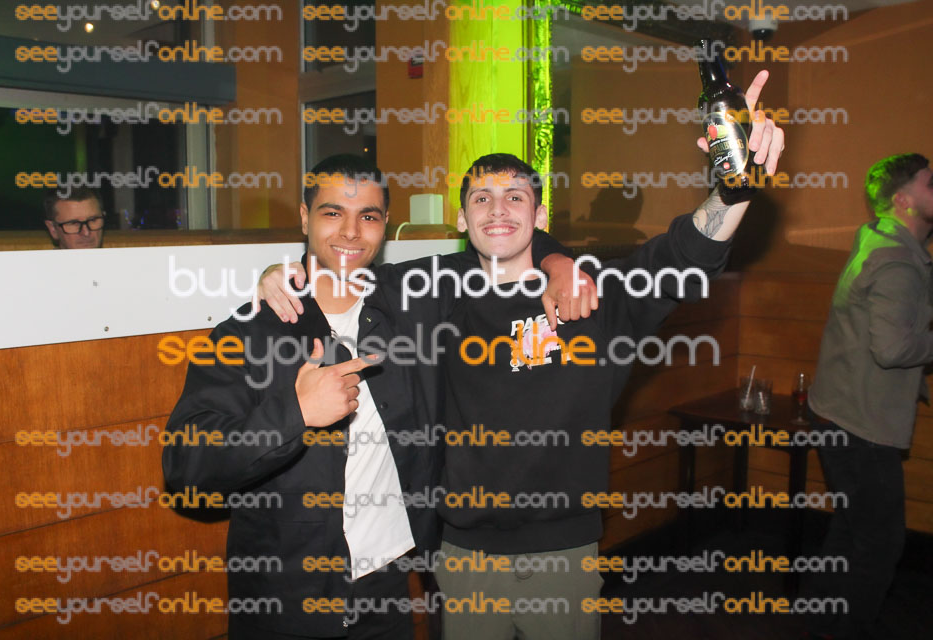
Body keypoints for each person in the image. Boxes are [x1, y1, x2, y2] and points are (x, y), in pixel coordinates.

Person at [260, 72, 784, 639]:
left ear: (539, 216)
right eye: (481, 199)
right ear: (462, 219)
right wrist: (275, 274)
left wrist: (735, 190)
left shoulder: (594, 294)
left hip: (564, 556)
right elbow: (341, 265)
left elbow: (684, 256)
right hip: (461, 557)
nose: (498, 210)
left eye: (515, 197)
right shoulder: (430, 291)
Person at [162, 154, 577, 639]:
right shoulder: (250, 332)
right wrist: (295, 413)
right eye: (333, 212)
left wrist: (559, 264)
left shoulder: (415, 300)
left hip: (388, 591)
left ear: (385, 226)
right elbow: (186, 467)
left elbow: (504, 237)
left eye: (369, 216)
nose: (351, 231)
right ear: (304, 218)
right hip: (286, 601)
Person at [804, 153, 933, 640]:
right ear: (903, 201)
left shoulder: (878, 238)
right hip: (861, 426)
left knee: (851, 529)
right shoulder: (897, 261)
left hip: (838, 412)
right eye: (930, 183)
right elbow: (893, 348)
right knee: (879, 544)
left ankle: (817, 620)